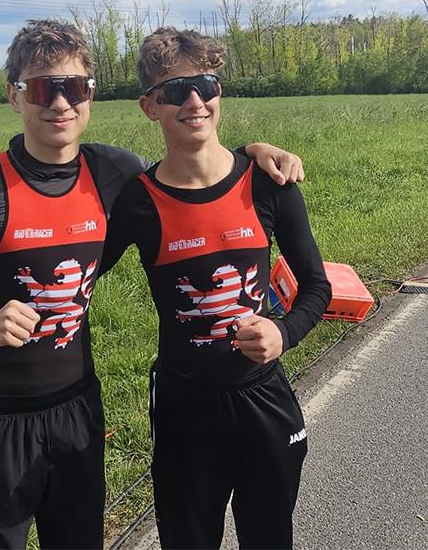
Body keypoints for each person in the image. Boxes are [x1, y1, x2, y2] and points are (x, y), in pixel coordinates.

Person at [0, 19, 304, 550]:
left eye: (75, 87)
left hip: (78, 412)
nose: (61, 104)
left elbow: (193, 170)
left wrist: (257, 151)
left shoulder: (115, 173)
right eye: (45, 88)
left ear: (91, 94)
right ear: (14, 96)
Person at [101, 27, 332, 549]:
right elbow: (77, 277)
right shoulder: (137, 202)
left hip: (263, 399)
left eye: (205, 84)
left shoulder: (268, 181)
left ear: (219, 91)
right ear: (149, 106)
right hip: (185, 406)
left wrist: (283, 333)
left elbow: (315, 285)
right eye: (174, 91)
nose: (194, 100)